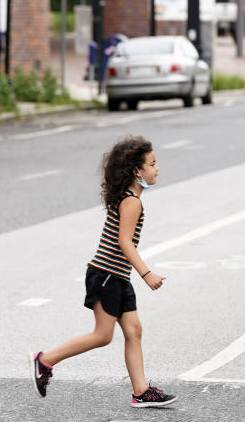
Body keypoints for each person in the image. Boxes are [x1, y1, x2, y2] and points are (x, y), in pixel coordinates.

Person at [29, 135, 177, 408]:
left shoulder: (129, 197)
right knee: (103, 335)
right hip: (107, 274)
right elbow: (124, 242)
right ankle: (45, 360)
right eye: (153, 164)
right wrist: (147, 274)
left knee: (134, 330)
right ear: (137, 171)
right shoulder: (132, 201)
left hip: (117, 275)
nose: (158, 169)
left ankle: (141, 391)